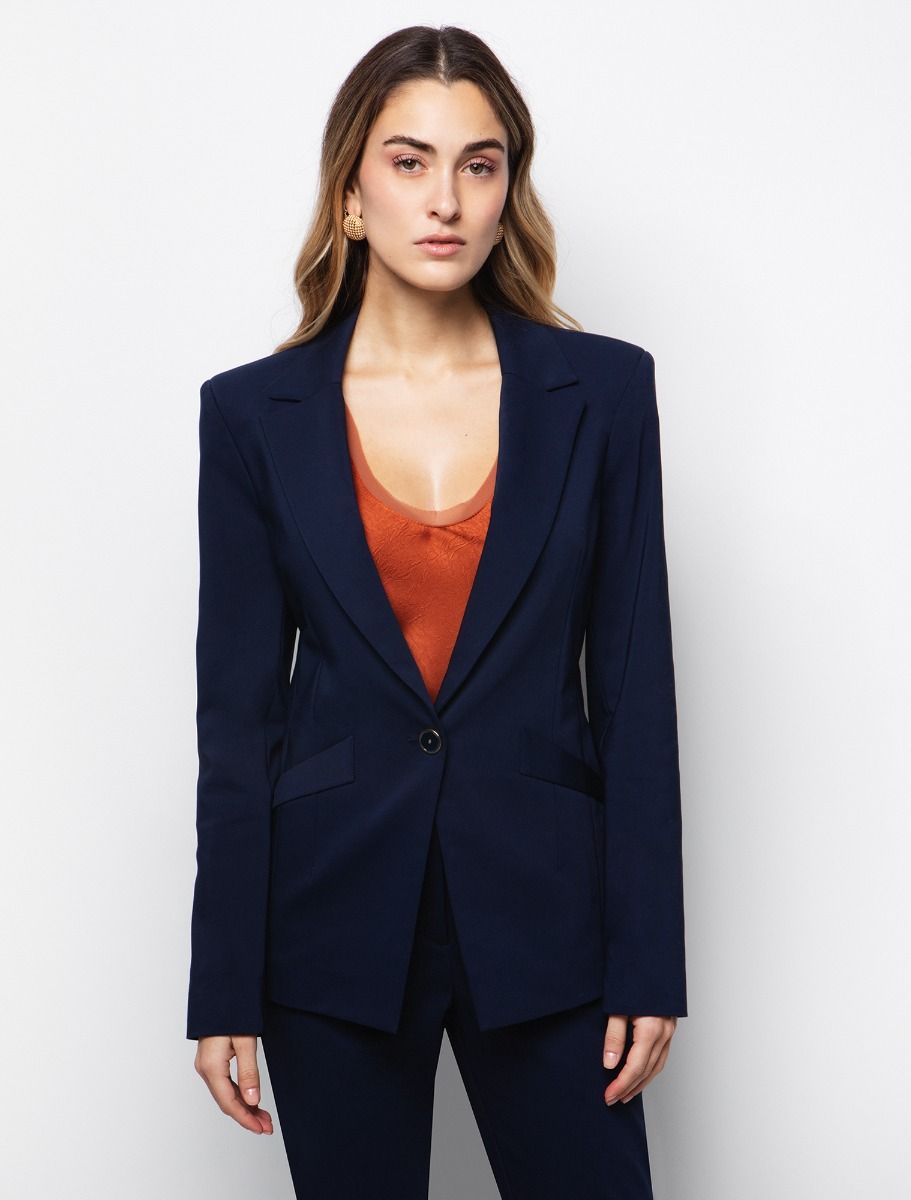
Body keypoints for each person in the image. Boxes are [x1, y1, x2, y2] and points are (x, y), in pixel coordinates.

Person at [187, 24, 687, 1199]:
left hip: (548, 919)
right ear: (351, 194)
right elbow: (237, 723)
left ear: (509, 190)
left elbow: (634, 695)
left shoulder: (601, 393)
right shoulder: (253, 416)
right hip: (330, 923)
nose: (445, 199)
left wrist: (647, 962)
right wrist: (221, 985)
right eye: (408, 162)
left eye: (478, 163)